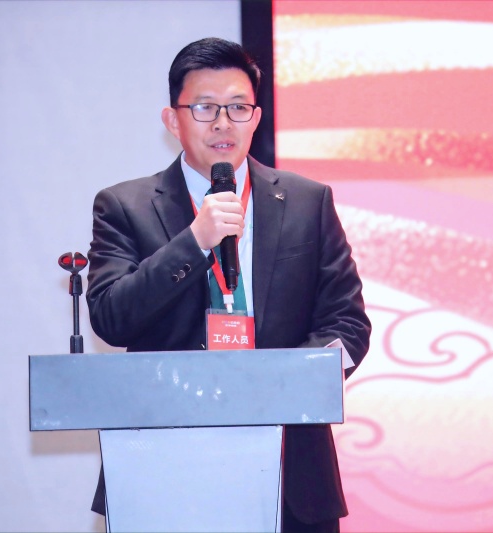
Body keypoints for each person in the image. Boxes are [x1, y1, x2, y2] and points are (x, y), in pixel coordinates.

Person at [86, 37, 371, 533]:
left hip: (290, 464)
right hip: (164, 465)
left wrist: (279, 382)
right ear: (172, 120)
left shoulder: (308, 202)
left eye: (238, 107)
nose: (223, 123)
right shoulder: (124, 206)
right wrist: (194, 241)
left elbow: (348, 325)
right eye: (205, 108)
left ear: (256, 118)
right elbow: (111, 317)